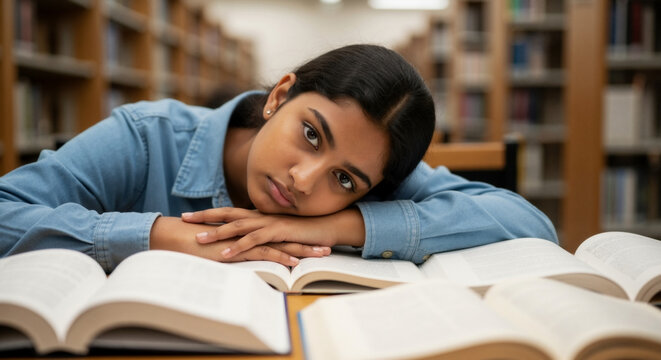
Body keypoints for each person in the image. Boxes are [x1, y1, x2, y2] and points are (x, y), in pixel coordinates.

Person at [0, 44, 557, 273]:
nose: (305, 178)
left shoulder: (376, 178)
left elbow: (528, 222)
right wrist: (162, 235)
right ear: (279, 96)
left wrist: (345, 222)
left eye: (344, 178)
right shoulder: (150, 137)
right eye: (312, 134)